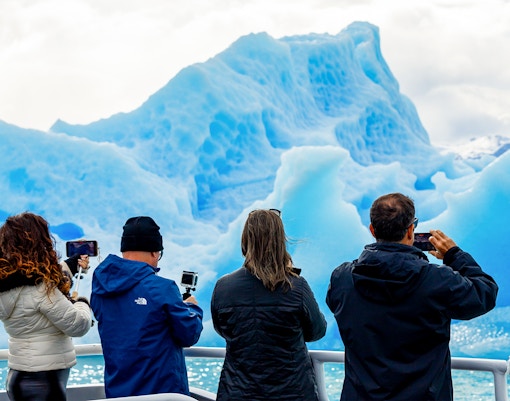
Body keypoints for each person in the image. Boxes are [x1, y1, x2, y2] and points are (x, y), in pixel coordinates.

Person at [326, 192, 498, 401]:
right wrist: (454, 254)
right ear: (411, 230)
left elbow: (336, 302)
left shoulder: (342, 278)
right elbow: (485, 293)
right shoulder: (436, 281)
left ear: (372, 230)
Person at [211, 209, 327, 401]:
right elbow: (317, 331)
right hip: (292, 393)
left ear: (245, 240)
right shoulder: (297, 286)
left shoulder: (224, 287)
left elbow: (222, 329)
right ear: (280, 241)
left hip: (238, 393)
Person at [90, 216, 203, 398]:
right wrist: (193, 308)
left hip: (118, 393)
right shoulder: (162, 288)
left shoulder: (100, 287)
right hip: (161, 393)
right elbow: (189, 334)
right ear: (155, 252)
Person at [0, 212, 92, 401]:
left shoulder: (7, 283)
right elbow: (78, 325)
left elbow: (32, 283)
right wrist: (82, 303)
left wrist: (69, 266)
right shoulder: (41, 289)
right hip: (43, 382)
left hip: (18, 376)